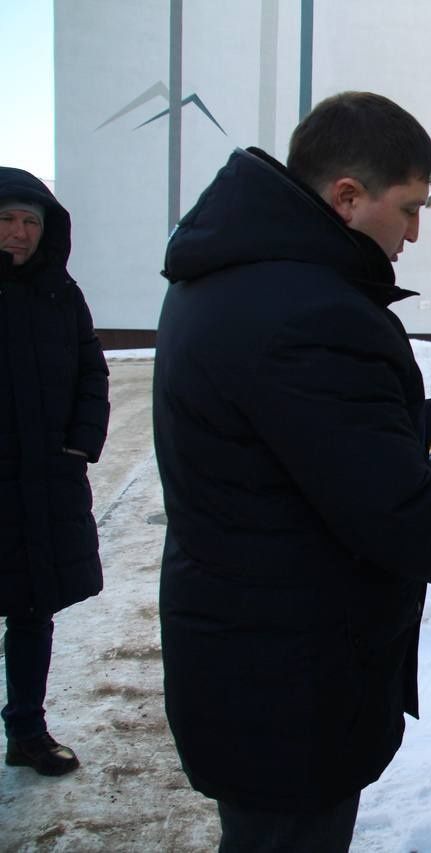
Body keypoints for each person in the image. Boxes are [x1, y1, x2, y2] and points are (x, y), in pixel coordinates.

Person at [154, 92, 431, 851]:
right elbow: (399, 513)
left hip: (247, 653)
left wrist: (405, 414)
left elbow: (283, 435)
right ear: (345, 197)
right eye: (408, 209)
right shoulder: (311, 311)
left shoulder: (230, 276)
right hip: (290, 676)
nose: (413, 232)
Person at [0, 168, 110, 777]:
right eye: (8, 220)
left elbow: (92, 374)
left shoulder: (60, 295)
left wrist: (78, 446)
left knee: (32, 610)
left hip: (43, 483)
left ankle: (27, 730)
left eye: (30, 222)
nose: (19, 233)